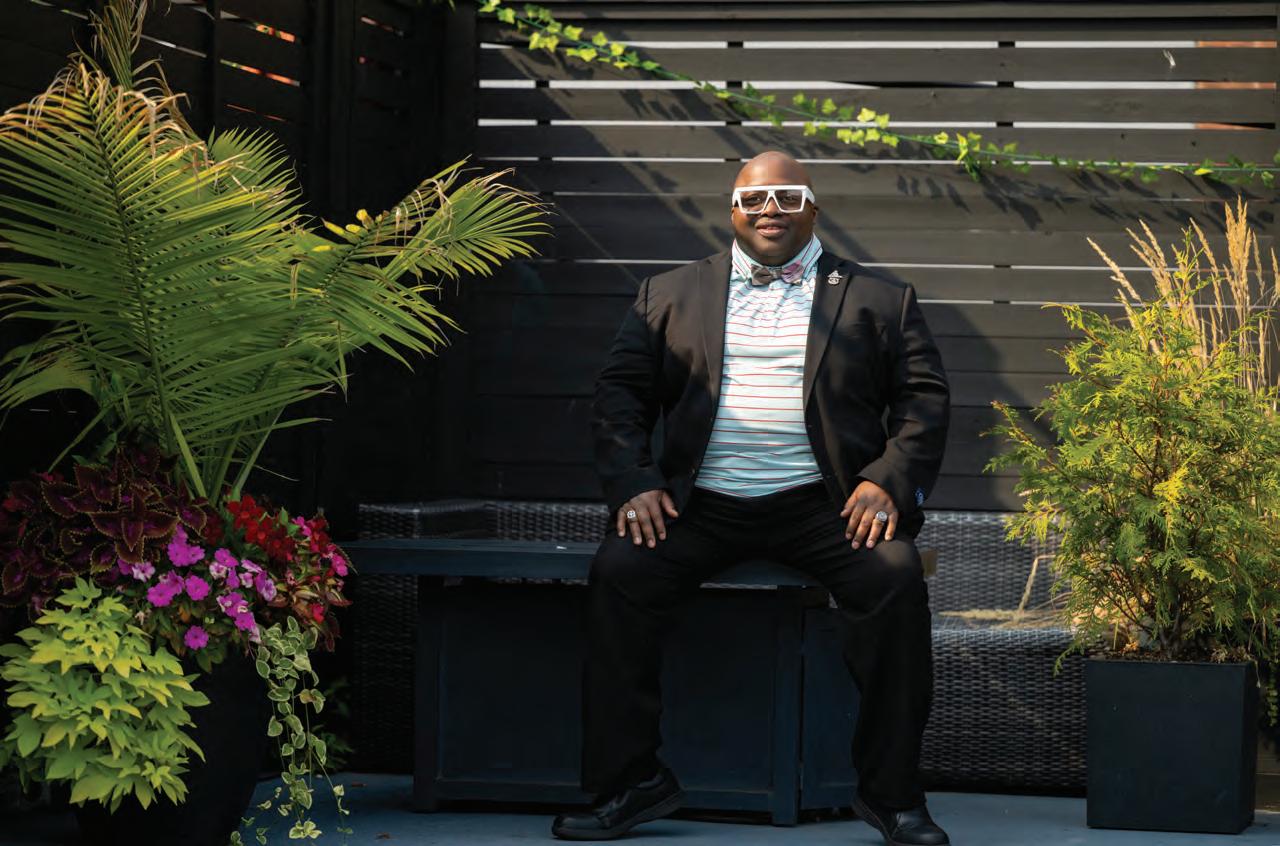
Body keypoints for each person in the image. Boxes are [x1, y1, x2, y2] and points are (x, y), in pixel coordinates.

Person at [551, 151, 951, 846]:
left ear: (813, 210)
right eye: (755, 198)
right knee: (620, 573)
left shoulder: (879, 299)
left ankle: (892, 796)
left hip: (826, 506)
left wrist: (887, 480)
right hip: (699, 503)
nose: (771, 208)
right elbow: (618, 395)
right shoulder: (667, 294)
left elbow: (924, 401)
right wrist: (635, 482)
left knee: (894, 580)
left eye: (788, 196)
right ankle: (628, 782)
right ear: (733, 211)